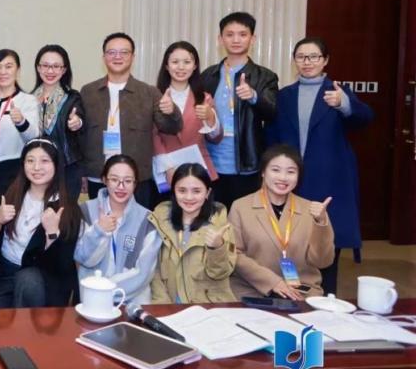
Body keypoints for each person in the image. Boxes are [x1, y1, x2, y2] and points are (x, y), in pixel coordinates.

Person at [265, 37, 373, 295]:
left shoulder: (337, 91)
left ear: (325, 61)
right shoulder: (285, 95)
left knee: (326, 246)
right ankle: (292, 298)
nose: (307, 62)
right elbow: (272, 135)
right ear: (295, 61)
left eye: (314, 56)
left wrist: (344, 104)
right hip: (291, 181)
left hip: (328, 180)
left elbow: (366, 117)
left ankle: (327, 300)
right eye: (301, 57)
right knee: (289, 246)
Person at [80, 33, 181, 208]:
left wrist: (171, 111)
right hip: (98, 175)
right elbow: (81, 136)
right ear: (104, 57)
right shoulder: (88, 92)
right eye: (112, 52)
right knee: (101, 222)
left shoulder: (148, 92)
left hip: (136, 178)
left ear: (133, 57)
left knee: (137, 223)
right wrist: (82, 171)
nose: (117, 57)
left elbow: (171, 127)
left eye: (124, 52)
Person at [228, 145, 335, 299]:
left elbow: (323, 262)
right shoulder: (240, 206)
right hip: (252, 290)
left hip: (300, 291)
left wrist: (321, 222)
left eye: (291, 172)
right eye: (276, 170)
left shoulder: (311, 210)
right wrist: (273, 282)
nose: (283, 178)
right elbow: (234, 254)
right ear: (263, 172)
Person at [0, 139, 82, 308]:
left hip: (41, 280)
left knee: (28, 280)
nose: (36, 167)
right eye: (30, 160)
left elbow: (63, 265)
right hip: (5, 273)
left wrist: (52, 234)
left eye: (44, 161)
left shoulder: (68, 207)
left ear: (56, 165)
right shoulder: (7, 192)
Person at [200, 12, 279, 210]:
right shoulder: (208, 75)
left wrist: (254, 96)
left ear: (253, 39)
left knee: (244, 221)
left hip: (247, 164)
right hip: (211, 163)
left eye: (242, 34)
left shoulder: (265, 76)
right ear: (220, 39)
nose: (236, 40)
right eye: (230, 34)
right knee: (212, 219)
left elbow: (273, 112)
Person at [74, 155, 161, 305]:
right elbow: (84, 259)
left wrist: (106, 290)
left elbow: (144, 273)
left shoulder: (148, 219)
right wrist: (100, 230)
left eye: (128, 181)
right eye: (114, 180)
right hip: (93, 300)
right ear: (104, 180)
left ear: (135, 184)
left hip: (133, 302)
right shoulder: (86, 210)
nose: (121, 187)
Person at [148, 163, 236, 304]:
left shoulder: (220, 225)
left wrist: (217, 248)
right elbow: (154, 270)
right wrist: (163, 307)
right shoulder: (159, 220)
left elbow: (220, 273)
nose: (189, 197)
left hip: (208, 307)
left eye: (196, 191)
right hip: (168, 304)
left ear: (207, 193)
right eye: (182, 190)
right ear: (174, 191)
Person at [0, 49, 41, 238]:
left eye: (8, 66)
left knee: (5, 217)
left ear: (17, 70)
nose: (3, 72)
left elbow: (34, 137)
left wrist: (21, 122)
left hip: (11, 169)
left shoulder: (27, 101)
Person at [153, 41, 222, 189]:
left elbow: (216, 138)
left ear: (195, 66)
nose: (181, 67)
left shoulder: (204, 98)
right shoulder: (154, 96)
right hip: (166, 172)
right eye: (175, 62)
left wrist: (211, 118)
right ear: (166, 66)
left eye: (187, 62)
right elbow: (152, 135)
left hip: (198, 169)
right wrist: (167, 167)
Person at [30, 44, 86, 198]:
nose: (50, 71)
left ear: (64, 70)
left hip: (66, 169)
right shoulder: (29, 99)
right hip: (37, 169)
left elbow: (80, 120)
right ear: (38, 68)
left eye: (56, 66)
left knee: (64, 211)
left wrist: (77, 122)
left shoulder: (73, 97)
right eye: (45, 66)